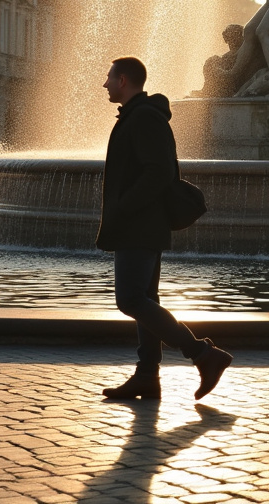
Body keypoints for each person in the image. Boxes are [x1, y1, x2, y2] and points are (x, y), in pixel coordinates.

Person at [97, 56, 233, 400]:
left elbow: (159, 171)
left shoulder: (144, 117)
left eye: (109, 77)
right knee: (145, 298)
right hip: (141, 223)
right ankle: (147, 375)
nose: (105, 84)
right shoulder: (137, 115)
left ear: (123, 80)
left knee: (130, 299)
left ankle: (203, 354)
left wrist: (125, 206)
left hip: (139, 225)